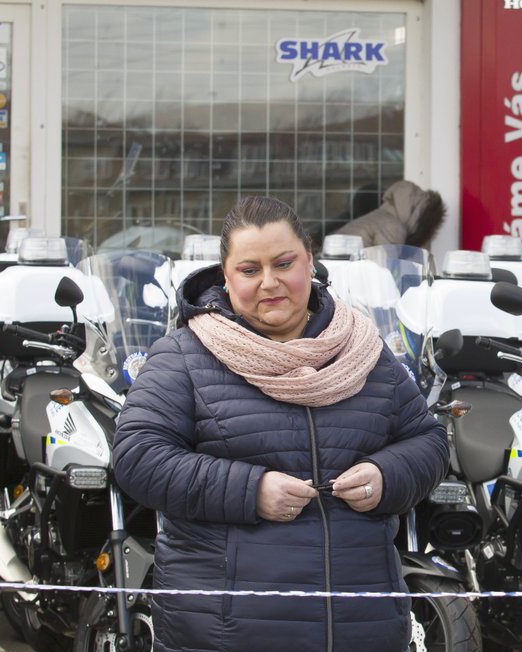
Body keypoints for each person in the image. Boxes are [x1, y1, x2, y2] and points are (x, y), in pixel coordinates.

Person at [113, 196, 449, 651]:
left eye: (284, 263)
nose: (269, 283)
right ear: (226, 277)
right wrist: (250, 491)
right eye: (250, 270)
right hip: (224, 632)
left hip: (359, 626)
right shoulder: (183, 356)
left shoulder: (363, 351)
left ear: (309, 261)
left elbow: (427, 441)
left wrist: (386, 476)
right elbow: (139, 457)